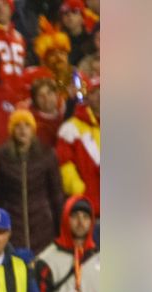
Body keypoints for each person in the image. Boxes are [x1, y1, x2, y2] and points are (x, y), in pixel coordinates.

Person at [0, 109, 63, 254]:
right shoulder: (0, 158)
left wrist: (61, 229)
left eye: (26, 125)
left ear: (33, 130)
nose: (22, 130)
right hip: (12, 229)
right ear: (11, 130)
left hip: (43, 229)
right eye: (17, 126)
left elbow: (56, 195)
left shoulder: (47, 156)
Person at [56, 75, 100, 214]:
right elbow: (64, 165)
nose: (100, 97)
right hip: (88, 210)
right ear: (87, 97)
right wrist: (81, 192)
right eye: (94, 93)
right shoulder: (70, 128)